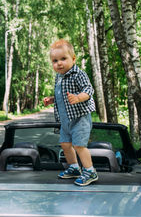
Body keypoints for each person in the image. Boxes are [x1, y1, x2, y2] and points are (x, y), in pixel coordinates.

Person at [43, 39, 97, 186]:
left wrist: (79, 97)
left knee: (79, 145)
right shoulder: (59, 77)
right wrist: (52, 99)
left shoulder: (78, 74)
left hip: (80, 118)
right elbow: (62, 96)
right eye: (55, 60)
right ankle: (74, 167)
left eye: (63, 59)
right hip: (65, 120)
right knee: (65, 144)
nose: (59, 63)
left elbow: (88, 90)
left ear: (73, 59)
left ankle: (90, 171)